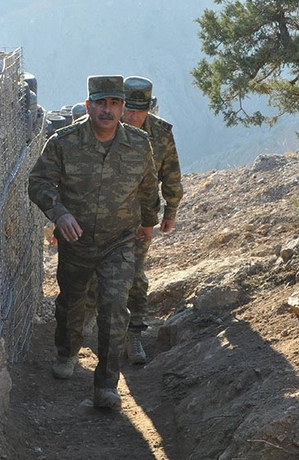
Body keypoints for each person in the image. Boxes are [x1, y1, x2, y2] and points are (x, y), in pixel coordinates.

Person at [28, 75, 160, 409]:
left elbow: (148, 186)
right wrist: (59, 213)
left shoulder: (139, 144)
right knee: (72, 303)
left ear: (122, 107)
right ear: (89, 106)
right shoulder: (64, 143)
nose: (108, 110)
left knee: (115, 307)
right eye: (101, 103)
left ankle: (106, 385)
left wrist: (148, 222)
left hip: (120, 242)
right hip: (77, 241)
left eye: (114, 104)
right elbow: (39, 181)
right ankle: (68, 351)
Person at [121, 76, 183, 364]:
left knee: (135, 274)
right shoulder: (105, 128)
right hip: (102, 214)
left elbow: (170, 173)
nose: (132, 117)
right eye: (128, 110)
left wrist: (170, 211)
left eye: (138, 111)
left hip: (142, 217)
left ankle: (134, 335)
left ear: (149, 109)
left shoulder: (160, 134)